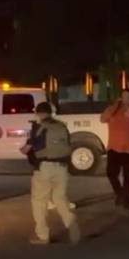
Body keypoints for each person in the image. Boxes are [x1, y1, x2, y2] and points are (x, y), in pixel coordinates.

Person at [21, 102, 81, 245]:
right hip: (62, 167)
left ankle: (43, 235)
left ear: (39, 113)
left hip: (44, 168)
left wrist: (25, 148)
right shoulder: (62, 126)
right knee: (60, 199)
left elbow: (26, 149)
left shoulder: (39, 128)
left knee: (39, 201)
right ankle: (74, 231)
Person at [101, 89, 129, 211]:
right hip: (114, 148)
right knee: (111, 174)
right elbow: (103, 119)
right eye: (124, 97)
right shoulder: (113, 110)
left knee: (128, 178)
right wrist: (115, 106)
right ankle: (120, 193)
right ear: (120, 98)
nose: (126, 99)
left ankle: (127, 203)